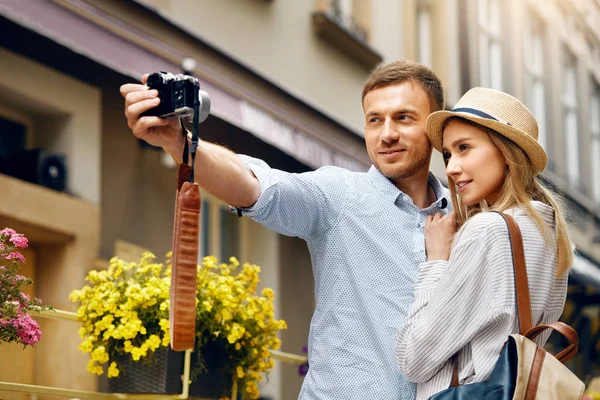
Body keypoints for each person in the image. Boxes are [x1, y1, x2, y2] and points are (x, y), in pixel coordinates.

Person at [121, 60, 450, 400]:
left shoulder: (466, 221)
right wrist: (180, 143)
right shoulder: (338, 195)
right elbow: (252, 186)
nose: (387, 134)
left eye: (403, 118)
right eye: (374, 120)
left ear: (435, 129)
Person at [394, 87, 572, 399]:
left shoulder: (487, 231)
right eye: (448, 154)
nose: (450, 168)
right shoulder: (552, 234)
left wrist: (436, 261)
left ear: (506, 152)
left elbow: (414, 358)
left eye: (465, 148)